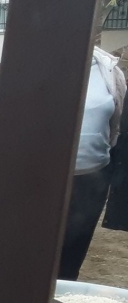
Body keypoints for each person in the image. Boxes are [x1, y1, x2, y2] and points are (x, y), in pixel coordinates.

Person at [57, 46, 125, 279]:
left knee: (74, 249)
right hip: (47, 177)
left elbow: (116, 125)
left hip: (92, 178)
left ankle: (61, 301)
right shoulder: (47, 60)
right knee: (40, 247)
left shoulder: (109, 70)